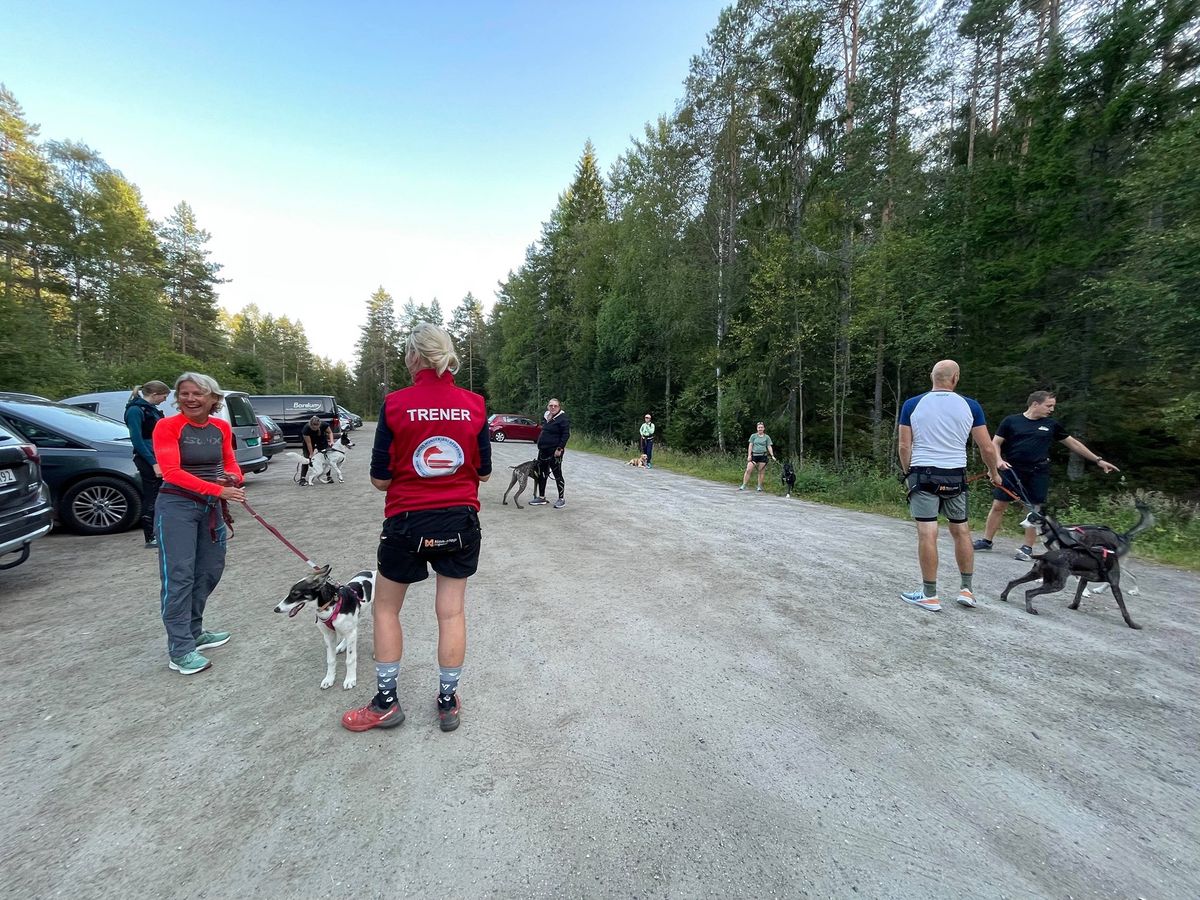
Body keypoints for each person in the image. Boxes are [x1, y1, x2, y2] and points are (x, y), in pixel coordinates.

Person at [342, 323, 491, 734]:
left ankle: (386, 703)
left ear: (413, 358)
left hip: (406, 522)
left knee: (387, 608)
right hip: (459, 520)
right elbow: (485, 473)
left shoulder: (394, 404)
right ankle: (447, 701)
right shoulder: (475, 405)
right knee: (452, 612)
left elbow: (380, 480)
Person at [152, 372, 245, 675]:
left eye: (198, 394)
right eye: (184, 394)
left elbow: (229, 462)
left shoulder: (220, 427)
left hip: (210, 508)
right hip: (176, 506)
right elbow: (171, 472)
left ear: (213, 399)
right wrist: (219, 489)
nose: (190, 399)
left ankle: (195, 630)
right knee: (179, 576)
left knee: (209, 571)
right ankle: (180, 650)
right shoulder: (167, 427)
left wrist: (234, 478)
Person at [897, 360, 1004, 613]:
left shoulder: (912, 404)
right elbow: (987, 447)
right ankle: (966, 590)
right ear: (955, 378)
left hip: (923, 475)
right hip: (956, 476)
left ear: (931, 377)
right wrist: (992, 472)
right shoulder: (971, 406)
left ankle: (929, 594)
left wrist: (907, 473)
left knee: (927, 532)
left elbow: (904, 446)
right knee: (961, 531)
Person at [974, 390, 1120, 561]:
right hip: (1012, 469)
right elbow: (995, 443)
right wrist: (998, 460)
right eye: (1048, 405)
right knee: (998, 505)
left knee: (1034, 510)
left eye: (1053, 406)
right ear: (1035, 404)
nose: (1051, 409)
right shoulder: (1011, 421)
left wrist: (1098, 460)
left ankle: (1027, 548)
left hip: (1038, 472)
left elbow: (1073, 444)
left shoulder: (1051, 425)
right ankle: (987, 541)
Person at [124, 380, 169, 548]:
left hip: (159, 456)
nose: (164, 400)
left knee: (161, 495)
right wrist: (153, 462)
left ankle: (161, 532)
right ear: (155, 394)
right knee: (152, 496)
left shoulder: (151, 409)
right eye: (164, 396)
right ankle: (150, 536)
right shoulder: (135, 411)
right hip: (148, 460)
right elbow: (137, 439)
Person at [529, 398, 569, 508]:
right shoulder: (546, 417)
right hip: (543, 451)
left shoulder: (563, 419)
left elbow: (566, 435)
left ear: (559, 407)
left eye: (555, 406)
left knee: (557, 475)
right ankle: (541, 497)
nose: (553, 407)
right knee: (542, 474)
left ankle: (561, 499)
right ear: (548, 407)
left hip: (555, 452)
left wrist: (559, 449)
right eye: (551, 405)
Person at [738, 422, 776, 492]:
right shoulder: (753, 436)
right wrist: (749, 455)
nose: (760, 429)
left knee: (761, 471)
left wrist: (772, 455)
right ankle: (743, 485)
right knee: (748, 470)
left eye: (761, 427)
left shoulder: (767, 437)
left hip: (763, 456)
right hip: (754, 455)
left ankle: (759, 486)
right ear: (757, 428)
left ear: (764, 428)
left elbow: (769, 446)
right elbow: (750, 445)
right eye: (759, 427)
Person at [299, 415, 335, 486]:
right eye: (313, 428)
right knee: (307, 458)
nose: (315, 429)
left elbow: (330, 432)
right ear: (311, 426)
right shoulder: (306, 428)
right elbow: (309, 443)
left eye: (317, 428)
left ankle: (328, 476)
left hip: (321, 440)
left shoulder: (324, 424)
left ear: (319, 425)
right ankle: (302, 478)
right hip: (309, 442)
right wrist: (311, 454)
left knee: (326, 457)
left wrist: (331, 441)